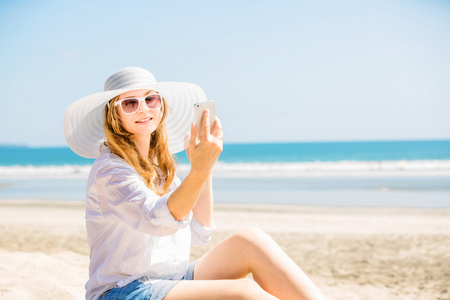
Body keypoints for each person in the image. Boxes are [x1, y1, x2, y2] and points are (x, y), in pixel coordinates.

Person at [64, 67, 327, 300]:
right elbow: (159, 220)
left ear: (160, 105)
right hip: (124, 291)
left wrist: (205, 169)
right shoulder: (110, 170)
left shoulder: (161, 171)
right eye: (130, 103)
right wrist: (198, 171)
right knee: (242, 292)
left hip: (170, 281)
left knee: (251, 240)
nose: (144, 108)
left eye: (150, 99)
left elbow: (200, 232)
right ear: (114, 115)